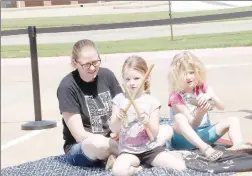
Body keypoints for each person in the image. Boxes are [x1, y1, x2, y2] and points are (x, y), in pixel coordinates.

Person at [56, 39, 173, 168]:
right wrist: (112, 141)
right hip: (83, 147)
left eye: (96, 62)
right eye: (86, 64)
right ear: (75, 63)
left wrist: (124, 132)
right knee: (99, 143)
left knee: (166, 129)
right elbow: (79, 135)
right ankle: (140, 156)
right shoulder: (67, 87)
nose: (93, 68)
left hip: (115, 136)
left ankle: (124, 156)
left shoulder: (106, 75)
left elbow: (123, 106)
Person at [167, 51, 252, 162]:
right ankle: (205, 149)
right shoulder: (175, 96)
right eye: (183, 73)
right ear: (176, 76)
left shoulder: (202, 87)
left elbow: (221, 106)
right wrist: (200, 113)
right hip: (183, 139)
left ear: (197, 72)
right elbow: (193, 124)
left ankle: (238, 145)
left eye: (191, 72)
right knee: (179, 118)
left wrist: (209, 96)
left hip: (204, 134)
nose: (188, 77)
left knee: (233, 120)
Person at [110, 55, 186, 176]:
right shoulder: (119, 100)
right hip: (128, 150)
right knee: (118, 173)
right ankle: (142, 167)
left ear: (146, 78)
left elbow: (154, 133)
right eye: (127, 79)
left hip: (150, 149)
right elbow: (114, 129)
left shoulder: (152, 102)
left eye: (136, 78)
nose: (131, 83)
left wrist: (147, 122)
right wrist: (118, 118)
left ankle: (152, 160)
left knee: (180, 167)